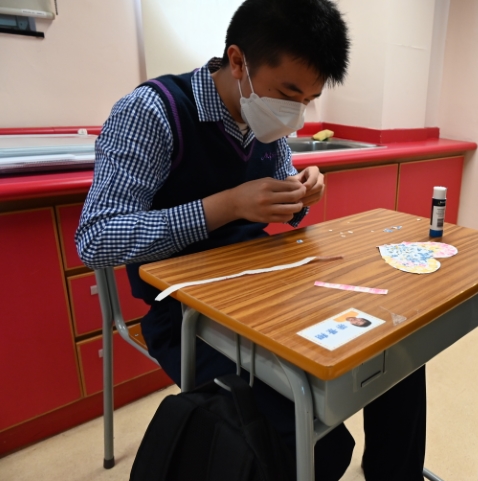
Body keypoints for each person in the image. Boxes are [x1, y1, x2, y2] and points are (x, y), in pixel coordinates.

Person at [75, 1, 426, 480]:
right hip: (185, 312)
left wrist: (301, 194)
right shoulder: (151, 112)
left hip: (266, 288)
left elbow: (278, 195)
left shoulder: (264, 116)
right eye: (288, 93)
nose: (295, 113)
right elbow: (96, 238)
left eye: (309, 99)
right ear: (238, 61)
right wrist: (225, 206)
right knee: (320, 445)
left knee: (397, 349)